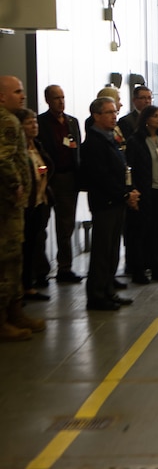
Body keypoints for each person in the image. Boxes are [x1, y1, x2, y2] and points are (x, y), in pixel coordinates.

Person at [80, 97, 139, 311]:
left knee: (113, 250)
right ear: (96, 116)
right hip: (105, 203)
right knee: (102, 252)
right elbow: (101, 178)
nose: (114, 116)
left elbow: (120, 171)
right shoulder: (93, 143)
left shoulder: (109, 138)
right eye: (108, 112)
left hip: (116, 201)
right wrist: (124, 195)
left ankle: (108, 290)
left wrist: (127, 192)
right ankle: (96, 295)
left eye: (115, 112)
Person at [0, 75, 45, 340]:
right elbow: (3, 158)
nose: (23, 96)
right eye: (17, 92)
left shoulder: (11, 120)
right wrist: (16, 184)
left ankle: (15, 311)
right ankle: (4, 319)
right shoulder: (5, 121)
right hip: (6, 207)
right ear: (2, 96)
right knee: (6, 261)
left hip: (14, 207)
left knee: (16, 257)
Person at [37, 84, 83, 284]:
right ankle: (39, 270)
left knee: (66, 226)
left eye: (63, 97)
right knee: (41, 225)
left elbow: (77, 150)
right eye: (56, 98)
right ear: (47, 100)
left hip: (69, 178)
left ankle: (65, 268)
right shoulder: (40, 123)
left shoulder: (72, 122)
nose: (61, 101)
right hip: (48, 180)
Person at [125, 105, 158, 284]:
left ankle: (156, 267)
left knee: (155, 231)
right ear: (146, 119)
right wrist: (133, 190)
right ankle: (138, 270)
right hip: (143, 192)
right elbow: (130, 168)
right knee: (140, 232)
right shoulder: (136, 141)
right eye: (155, 116)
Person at [17, 109, 54, 301]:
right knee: (24, 246)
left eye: (35, 123)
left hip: (41, 201)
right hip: (25, 205)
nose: (34, 126)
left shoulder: (37, 146)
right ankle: (22, 286)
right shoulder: (17, 150)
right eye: (29, 123)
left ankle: (29, 283)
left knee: (35, 242)